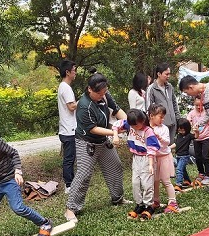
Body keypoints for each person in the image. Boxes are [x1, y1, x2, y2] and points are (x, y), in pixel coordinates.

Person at [64, 72, 128, 223]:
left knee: (115, 166)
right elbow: (92, 129)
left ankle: (118, 198)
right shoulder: (83, 106)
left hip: (103, 140)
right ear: (90, 89)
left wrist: (129, 122)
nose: (102, 96)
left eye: (104, 92)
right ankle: (71, 209)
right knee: (84, 174)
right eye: (99, 94)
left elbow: (116, 109)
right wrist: (115, 132)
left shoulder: (104, 94)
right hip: (86, 142)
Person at [112, 109, 159, 220]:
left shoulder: (148, 131)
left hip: (147, 158)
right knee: (135, 182)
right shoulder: (130, 125)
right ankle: (139, 204)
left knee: (147, 184)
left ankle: (149, 206)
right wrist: (115, 135)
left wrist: (151, 164)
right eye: (132, 125)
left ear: (142, 120)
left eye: (137, 125)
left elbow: (152, 148)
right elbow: (117, 124)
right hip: (136, 158)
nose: (134, 127)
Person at [148, 103, 178, 213]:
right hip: (153, 158)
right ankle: (156, 201)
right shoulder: (147, 129)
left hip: (164, 157)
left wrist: (159, 137)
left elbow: (166, 143)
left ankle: (173, 202)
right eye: (160, 117)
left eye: (163, 117)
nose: (162, 119)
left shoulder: (164, 128)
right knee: (155, 181)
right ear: (151, 116)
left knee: (166, 181)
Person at [146, 62, 181, 143]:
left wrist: (178, 119)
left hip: (173, 124)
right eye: (166, 74)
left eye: (169, 74)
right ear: (159, 74)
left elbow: (174, 103)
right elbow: (149, 108)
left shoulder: (170, 87)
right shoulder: (151, 89)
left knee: (171, 147)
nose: (168, 76)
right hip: (160, 126)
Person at [57, 60, 78, 194]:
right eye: (74, 70)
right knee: (69, 159)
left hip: (66, 128)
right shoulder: (65, 87)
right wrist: (83, 100)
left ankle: (71, 182)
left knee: (70, 158)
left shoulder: (63, 86)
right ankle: (68, 185)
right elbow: (71, 107)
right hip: (68, 129)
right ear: (67, 72)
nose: (75, 73)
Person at [187, 97, 209, 185]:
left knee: (205, 156)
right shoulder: (191, 113)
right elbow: (187, 122)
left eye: (201, 105)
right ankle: (201, 173)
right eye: (197, 105)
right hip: (196, 138)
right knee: (198, 157)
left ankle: (208, 175)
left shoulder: (207, 113)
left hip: (206, 137)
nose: (199, 107)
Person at [171, 118, 195, 192]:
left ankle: (179, 184)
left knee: (179, 169)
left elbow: (196, 136)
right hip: (178, 155)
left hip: (184, 156)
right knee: (183, 169)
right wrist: (169, 147)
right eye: (179, 130)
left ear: (187, 128)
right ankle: (187, 180)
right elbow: (176, 144)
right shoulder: (178, 136)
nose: (181, 131)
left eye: (182, 130)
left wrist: (197, 131)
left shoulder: (189, 135)